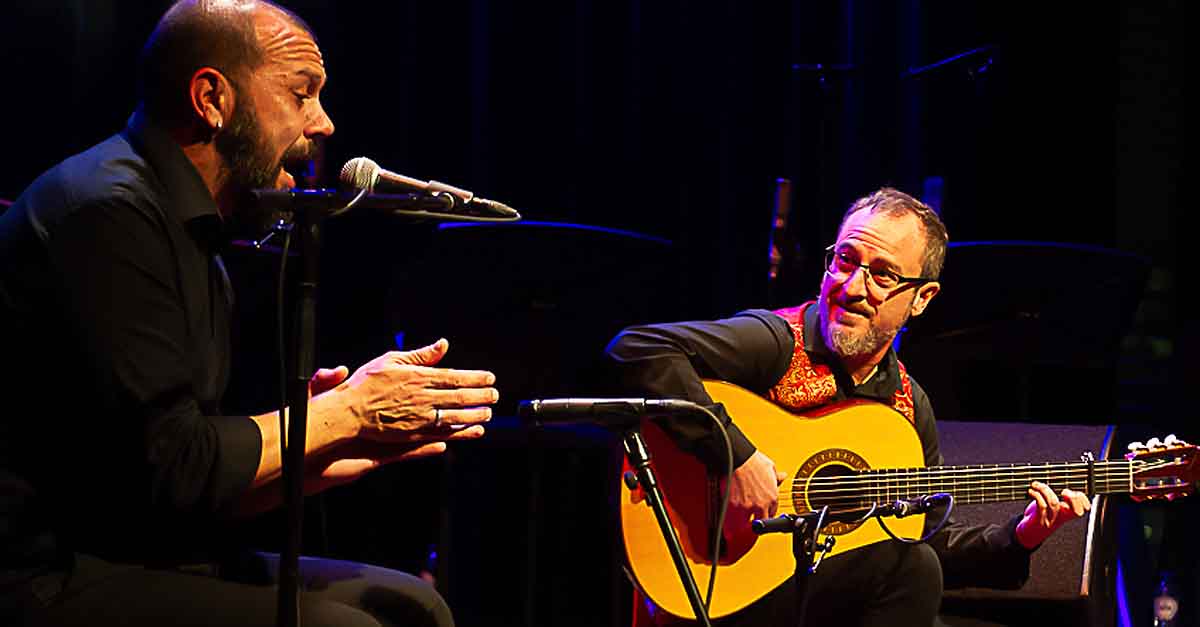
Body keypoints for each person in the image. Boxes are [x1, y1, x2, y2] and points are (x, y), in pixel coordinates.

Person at [0, 1, 498, 626]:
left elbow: (174, 479)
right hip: (47, 573)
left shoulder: (195, 231)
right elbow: (170, 468)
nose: (324, 124)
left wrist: (336, 438)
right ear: (212, 98)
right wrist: (342, 411)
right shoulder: (106, 214)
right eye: (302, 94)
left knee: (413, 605)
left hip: (134, 544)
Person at [605, 188, 1092, 626]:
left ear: (922, 298)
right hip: (721, 576)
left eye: (882, 275)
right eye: (844, 259)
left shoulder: (907, 404)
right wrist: (734, 454)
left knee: (916, 571)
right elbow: (639, 348)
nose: (852, 286)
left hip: (812, 597)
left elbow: (917, 540)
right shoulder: (776, 342)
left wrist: (1021, 536)